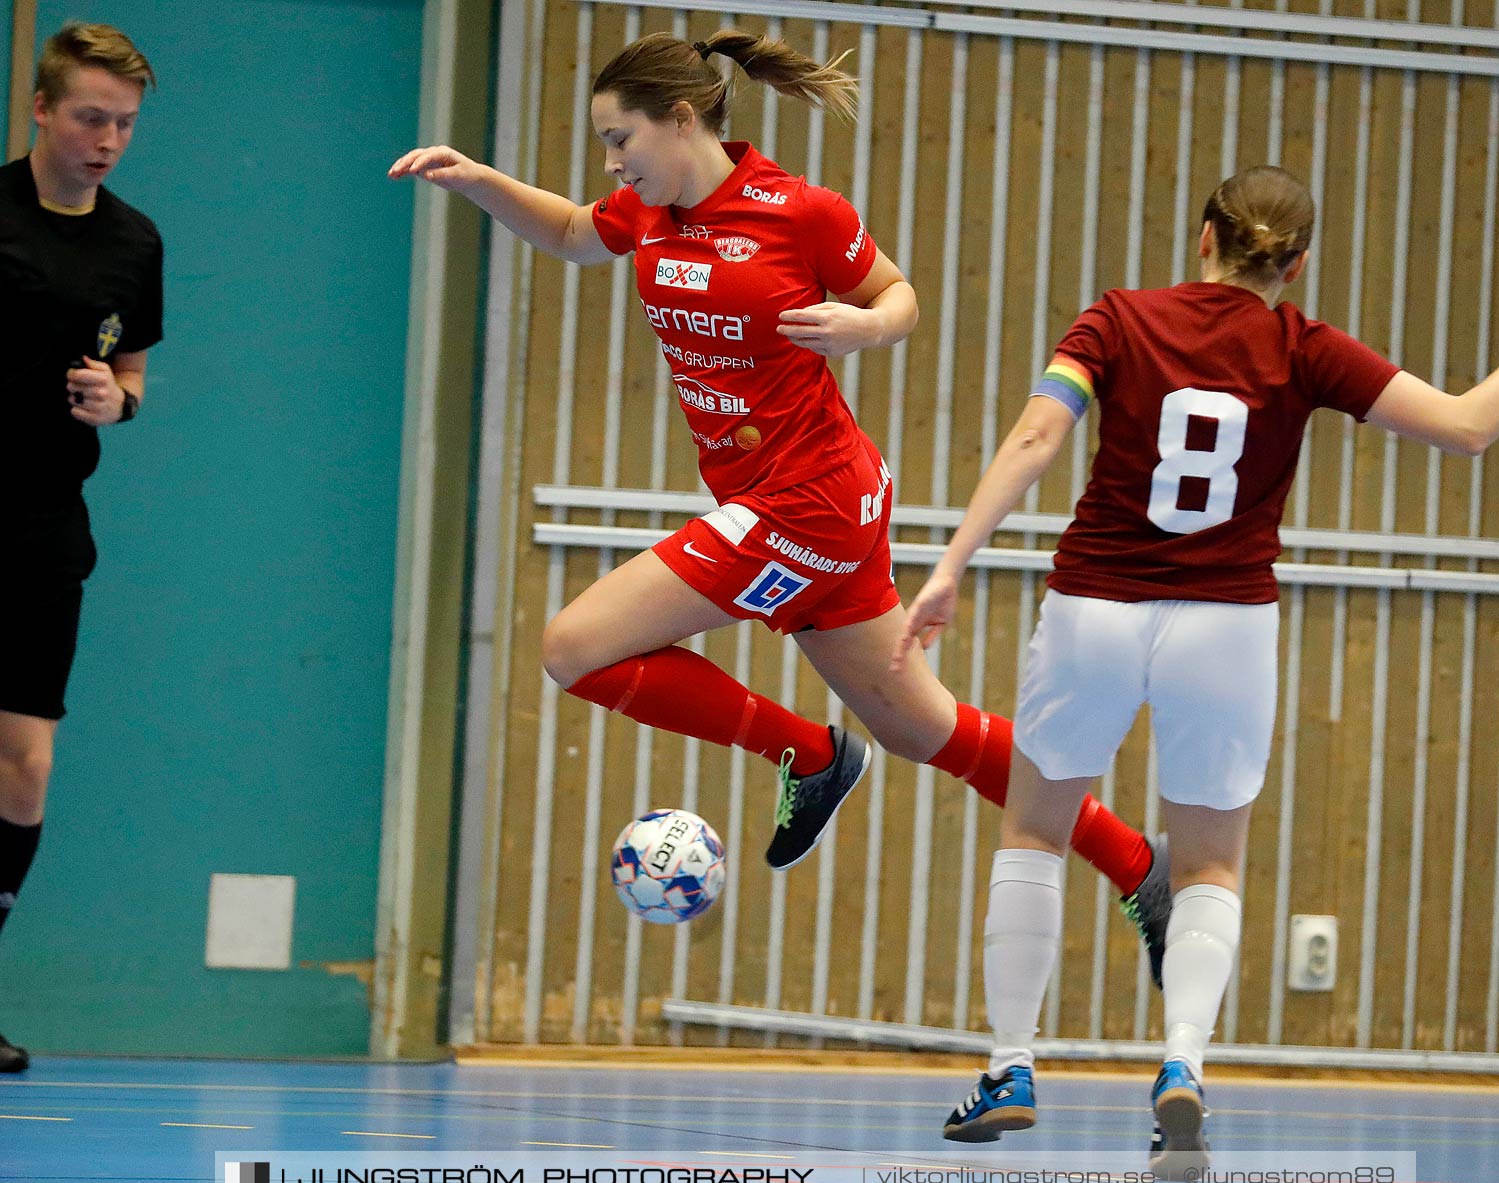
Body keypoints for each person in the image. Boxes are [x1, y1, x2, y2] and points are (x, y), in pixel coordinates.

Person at [390, 30, 1168, 955]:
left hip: (808, 500)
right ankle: (1136, 864)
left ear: (681, 121)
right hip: (794, 503)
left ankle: (808, 752)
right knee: (925, 729)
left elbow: (900, 296)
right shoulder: (648, 213)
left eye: (619, 139)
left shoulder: (796, 210)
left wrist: (862, 326)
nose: (610, 163)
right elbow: (566, 231)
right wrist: (476, 179)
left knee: (574, 647)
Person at [897, 166, 1499, 1168]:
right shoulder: (1305, 347)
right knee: (1210, 864)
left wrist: (949, 565)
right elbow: (1468, 427)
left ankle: (1012, 1063)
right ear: (1297, 263)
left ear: (1203, 239)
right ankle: (1182, 1064)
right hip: (1226, 627)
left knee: (1036, 831)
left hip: (1097, 604)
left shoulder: (1118, 321)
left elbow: (1038, 433)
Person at [0, 23, 162, 1074]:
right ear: (43, 111)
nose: (107, 140)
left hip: (45, 525)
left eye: (126, 124)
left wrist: (120, 399)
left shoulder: (135, 242)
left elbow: (135, 370)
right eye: (91, 117)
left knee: (23, 768)